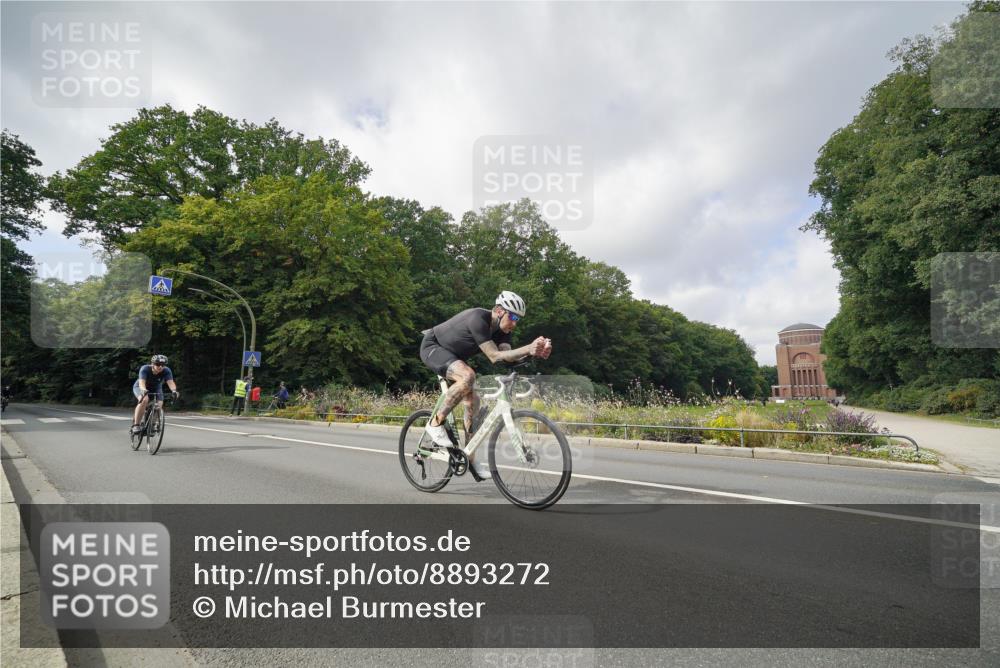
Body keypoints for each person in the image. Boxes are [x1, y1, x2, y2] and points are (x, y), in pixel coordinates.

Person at [419, 291, 552, 480]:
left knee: (474, 402)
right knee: (468, 376)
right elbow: (494, 356)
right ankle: (435, 423)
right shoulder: (477, 318)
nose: (514, 323)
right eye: (512, 317)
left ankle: (469, 457)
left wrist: (535, 353)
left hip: (455, 357)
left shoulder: (503, 332)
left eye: (518, 320)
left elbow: (508, 358)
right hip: (433, 347)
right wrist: (529, 347)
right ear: (499, 311)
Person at [131, 355, 179, 434]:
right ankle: (136, 425)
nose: (160, 366)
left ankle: (152, 424)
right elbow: (141, 382)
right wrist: (143, 390)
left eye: (163, 365)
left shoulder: (166, 370)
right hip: (141, 386)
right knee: (144, 400)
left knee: (159, 404)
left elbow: (170, 382)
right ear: (152, 364)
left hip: (156, 387)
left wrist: (174, 391)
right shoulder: (145, 368)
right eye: (158, 364)